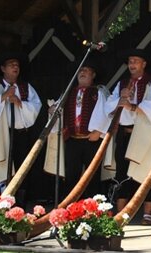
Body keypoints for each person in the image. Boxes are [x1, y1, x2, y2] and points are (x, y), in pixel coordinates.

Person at [105, 49, 151, 225]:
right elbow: (108, 106)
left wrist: (133, 107)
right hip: (125, 133)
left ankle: (148, 214)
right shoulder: (122, 84)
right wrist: (120, 100)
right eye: (130, 61)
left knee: (146, 172)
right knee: (122, 173)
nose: (132, 64)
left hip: (145, 134)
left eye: (136, 61)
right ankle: (121, 213)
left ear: (144, 64)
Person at [0, 52, 42, 193]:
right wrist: (4, 96)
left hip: (20, 134)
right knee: (2, 168)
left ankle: (20, 203)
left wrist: (19, 103)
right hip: (1, 135)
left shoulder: (25, 87)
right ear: (3, 69)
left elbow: (36, 106)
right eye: (11, 64)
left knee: (21, 167)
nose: (15, 67)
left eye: (17, 65)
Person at [48, 57, 110, 198]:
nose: (83, 73)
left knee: (92, 174)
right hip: (72, 140)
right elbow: (57, 109)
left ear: (93, 75)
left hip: (91, 139)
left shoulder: (98, 93)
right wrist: (52, 110)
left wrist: (99, 131)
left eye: (86, 71)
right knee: (71, 175)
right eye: (81, 70)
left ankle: (92, 207)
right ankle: (70, 205)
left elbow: (106, 113)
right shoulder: (68, 93)